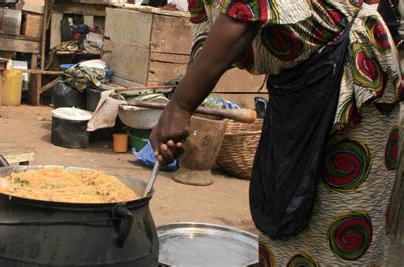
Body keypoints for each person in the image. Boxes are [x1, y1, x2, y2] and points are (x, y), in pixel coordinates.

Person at [150, 0, 402, 265]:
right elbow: (210, 34)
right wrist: (181, 110)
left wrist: (180, 106)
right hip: (296, 90)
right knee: (285, 215)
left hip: (352, 87)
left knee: (337, 231)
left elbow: (244, 13)